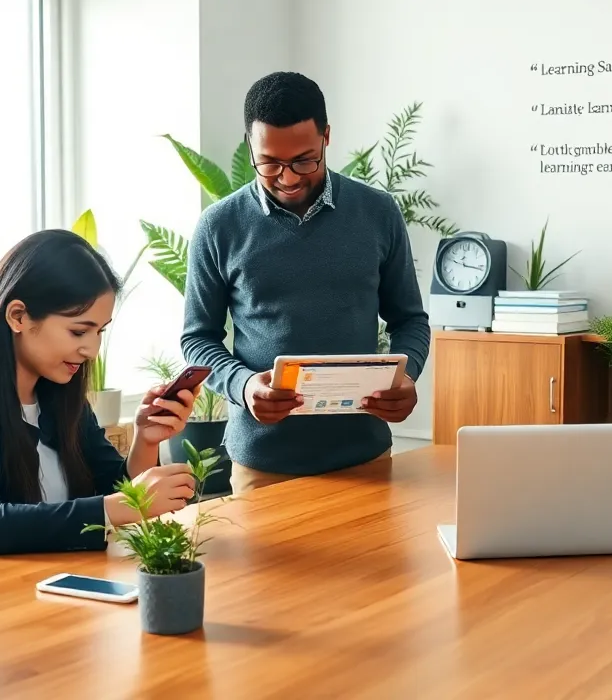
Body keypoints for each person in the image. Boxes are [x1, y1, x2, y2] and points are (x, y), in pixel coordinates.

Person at [0, 229, 199, 577]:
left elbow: (111, 490)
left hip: (41, 586)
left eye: (99, 332)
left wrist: (146, 440)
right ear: (18, 316)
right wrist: (119, 506)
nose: (91, 349)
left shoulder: (60, 392)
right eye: (79, 331)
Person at [181, 71, 431, 494]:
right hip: (263, 466)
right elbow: (198, 339)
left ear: (326, 137)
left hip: (365, 459)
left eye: (304, 160)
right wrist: (243, 386)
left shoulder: (378, 213)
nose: (289, 178)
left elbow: (410, 320)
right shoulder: (218, 226)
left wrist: (407, 377)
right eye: (269, 163)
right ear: (249, 147)